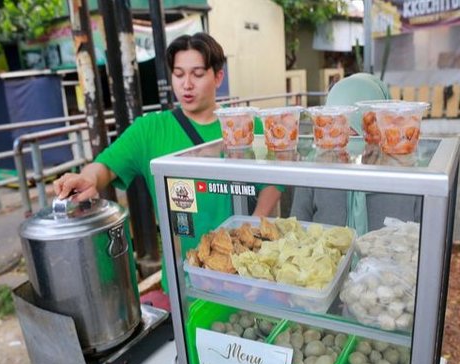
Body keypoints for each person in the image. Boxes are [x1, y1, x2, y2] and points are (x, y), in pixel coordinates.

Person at [53, 32, 281, 292]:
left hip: (245, 277)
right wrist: (88, 178)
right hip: (183, 280)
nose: (186, 85)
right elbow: (104, 166)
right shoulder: (150, 130)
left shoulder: (245, 126)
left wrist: (253, 223)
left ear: (218, 77)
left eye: (197, 74)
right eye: (179, 74)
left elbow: (275, 179)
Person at [290, 73, 421, 235]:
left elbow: (422, 242)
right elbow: (296, 230)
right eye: (334, 124)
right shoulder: (314, 168)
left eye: (354, 128)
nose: (345, 136)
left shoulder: (406, 175)